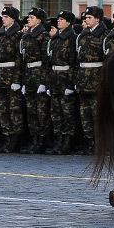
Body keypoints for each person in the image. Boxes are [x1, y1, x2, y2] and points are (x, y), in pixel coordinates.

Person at [75, 5, 108, 152]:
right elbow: (77, 59)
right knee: (85, 115)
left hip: (96, 79)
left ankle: (101, 143)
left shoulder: (104, 35)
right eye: (86, 18)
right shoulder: (83, 35)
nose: (86, 20)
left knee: (98, 114)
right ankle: (89, 141)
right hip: (83, 79)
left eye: (89, 18)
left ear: (98, 19)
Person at [0, 6, 24, 153]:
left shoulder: (18, 35)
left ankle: (16, 140)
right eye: (3, 16)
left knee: (14, 110)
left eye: (6, 17)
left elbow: (19, 58)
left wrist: (16, 80)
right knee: (3, 110)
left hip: (12, 75)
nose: (3, 19)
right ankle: (7, 138)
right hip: (0, 75)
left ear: (13, 19)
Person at [19, 7, 51, 154]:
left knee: (41, 111)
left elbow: (46, 61)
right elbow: (24, 60)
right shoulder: (26, 36)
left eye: (31, 18)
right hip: (29, 75)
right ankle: (34, 139)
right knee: (31, 111)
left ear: (38, 21)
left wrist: (44, 82)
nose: (28, 20)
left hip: (39, 75)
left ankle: (42, 141)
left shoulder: (43, 37)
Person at [47, 10, 77, 155]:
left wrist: (71, 84)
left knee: (67, 113)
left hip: (65, 79)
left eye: (62, 19)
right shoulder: (55, 38)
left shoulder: (72, 38)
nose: (58, 21)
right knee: (56, 112)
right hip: (55, 78)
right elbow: (49, 61)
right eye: (58, 19)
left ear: (69, 23)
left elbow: (73, 62)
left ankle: (67, 142)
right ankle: (58, 140)